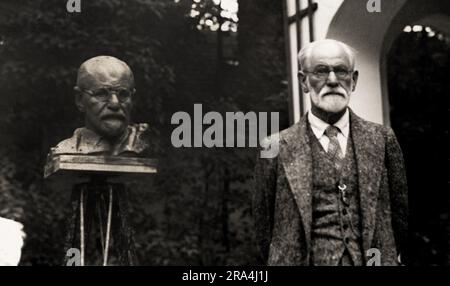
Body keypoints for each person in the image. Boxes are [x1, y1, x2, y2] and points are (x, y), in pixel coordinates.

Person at [253, 39, 408, 266]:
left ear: (353, 80)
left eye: (341, 71)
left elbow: (400, 219)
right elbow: (264, 227)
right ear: (304, 81)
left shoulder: (382, 139)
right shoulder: (274, 147)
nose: (333, 80)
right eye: (321, 71)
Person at [49, 56, 149, 157]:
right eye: (101, 93)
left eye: (123, 94)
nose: (115, 104)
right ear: (80, 100)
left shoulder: (144, 145)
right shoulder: (65, 151)